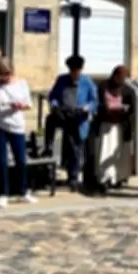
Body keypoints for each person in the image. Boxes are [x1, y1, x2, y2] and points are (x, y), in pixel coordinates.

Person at [42, 55, 99, 191]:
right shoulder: (62, 80)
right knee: (50, 120)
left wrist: (87, 107)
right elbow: (53, 96)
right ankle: (48, 146)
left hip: (78, 116)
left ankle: (73, 177)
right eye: (72, 71)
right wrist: (55, 105)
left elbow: (95, 101)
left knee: (75, 147)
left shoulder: (87, 82)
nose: (75, 74)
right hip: (63, 113)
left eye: (77, 71)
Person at [0, 57, 37, 209]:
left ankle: (23, 190)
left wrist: (21, 106)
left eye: (7, 74)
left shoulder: (21, 84)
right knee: (2, 161)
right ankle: (3, 193)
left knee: (21, 160)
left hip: (16, 125)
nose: (6, 77)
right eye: (3, 74)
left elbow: (29, 104)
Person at [92, 65, 135, 193]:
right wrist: (105, 109)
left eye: (123, 77)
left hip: (122, 125)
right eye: (119, 76)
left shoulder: (128, 90)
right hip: (106, 124)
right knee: (105, 151)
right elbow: (98, 104)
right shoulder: (103, 86)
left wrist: (125, 109)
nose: (121, 80)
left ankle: (120, 177)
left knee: (121, 154)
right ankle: (104, 178)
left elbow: (132, 108)